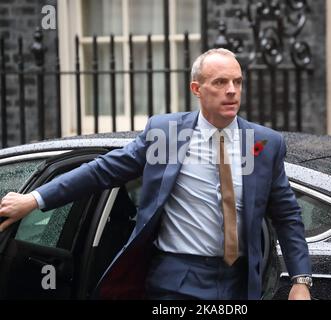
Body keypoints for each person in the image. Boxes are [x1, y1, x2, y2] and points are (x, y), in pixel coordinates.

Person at [0, 48, 312, 300]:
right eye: (220, 83)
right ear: (197, 89)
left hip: (240, 282)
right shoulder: (166, 133)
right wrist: (34, 199)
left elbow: (287, 215)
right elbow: (102, 171)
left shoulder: (264, 144)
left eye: (238, 82)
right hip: (177, 278)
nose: (232, 91)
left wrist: (300, 280)